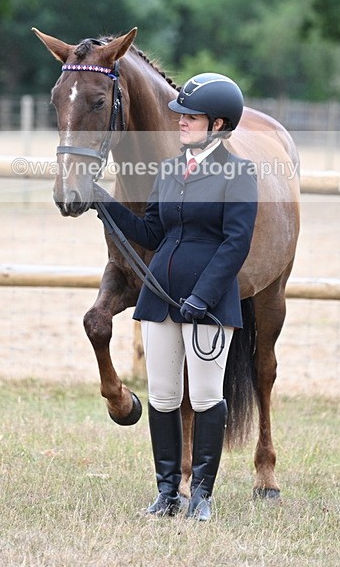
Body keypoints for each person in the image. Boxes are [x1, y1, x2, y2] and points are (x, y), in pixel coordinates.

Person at [92, 73, 258, 521]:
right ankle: (167, 493)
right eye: (181, 115)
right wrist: (104, 202)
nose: (180, 122)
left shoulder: (239, 173)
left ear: (219, 124)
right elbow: (152, 232)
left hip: (207, 302)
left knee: (205, 397)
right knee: (163, 397)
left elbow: (235, 244)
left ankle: (201, 495)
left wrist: (204, 298)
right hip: (160, 298)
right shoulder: (168, 169)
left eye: (191, 116)